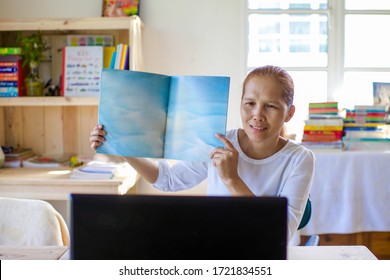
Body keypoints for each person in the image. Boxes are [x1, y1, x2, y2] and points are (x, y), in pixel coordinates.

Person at [89, 65, 315, 243]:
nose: (257, 115)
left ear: (289, 113)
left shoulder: (300, 159)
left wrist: (231, 179)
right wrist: (120, 147)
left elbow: (278, 233)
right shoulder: (218, 141)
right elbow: (168, 180)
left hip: (265, 255)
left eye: (270, 106)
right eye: (250, 103)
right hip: (216, 246)